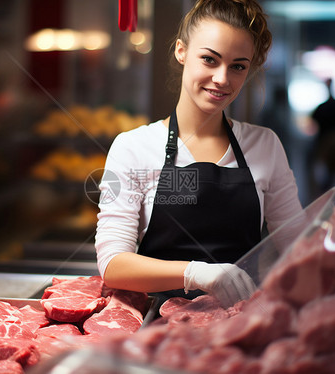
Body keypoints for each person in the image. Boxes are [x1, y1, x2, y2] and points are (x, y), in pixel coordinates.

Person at [95, 0, 304, 308]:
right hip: (160, 329)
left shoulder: (265, 145)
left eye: (237, 66)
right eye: (209, 59)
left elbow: (298, 246)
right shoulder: (132, 147)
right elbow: (113, 264)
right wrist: (195, 273)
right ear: (182, 51)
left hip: (242, 326)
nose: (222, 79)